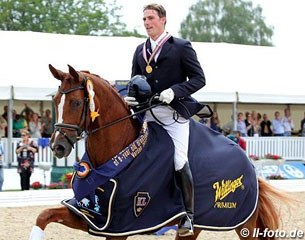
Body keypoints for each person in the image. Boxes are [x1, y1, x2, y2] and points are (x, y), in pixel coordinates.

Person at [127, 3, 205, 236]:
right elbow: (135, 80)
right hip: (147, 115)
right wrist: (131, 97)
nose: (147, 23)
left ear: (163, 20)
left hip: (173, 114)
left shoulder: (181, 47)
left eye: (150, 18)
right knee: (137, 160)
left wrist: (176, 90)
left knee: (178, 160)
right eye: (144, 19)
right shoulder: (139, 49)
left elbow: (199, 79)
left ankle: (188, 217)